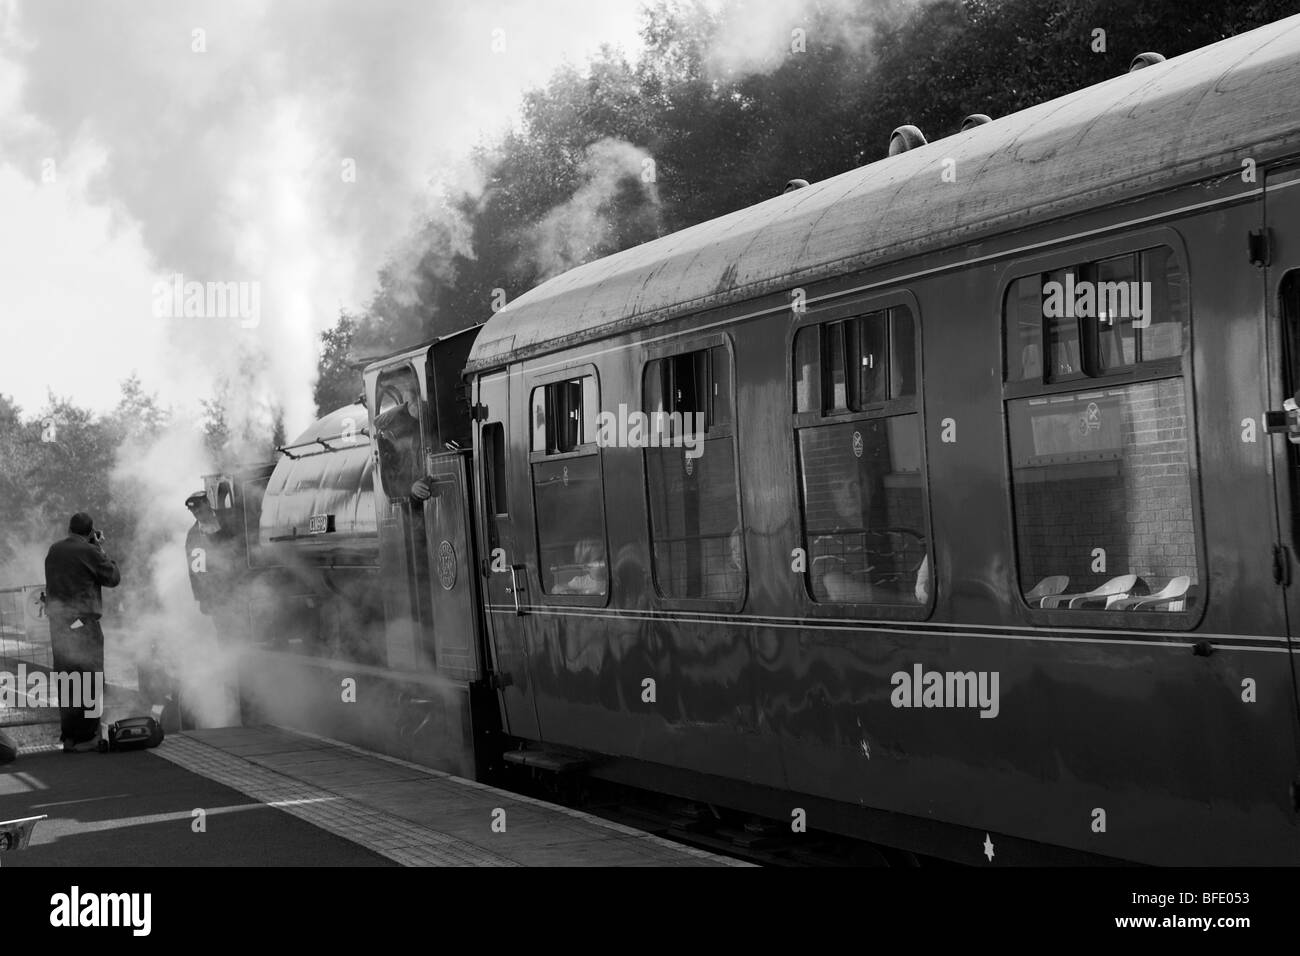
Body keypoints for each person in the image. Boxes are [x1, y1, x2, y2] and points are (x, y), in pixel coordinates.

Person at [44, 512, 120, 752]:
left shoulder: (54, 550)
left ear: (69, 529)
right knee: (90, 678)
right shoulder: (90, 552)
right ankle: (87, 737)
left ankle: (69, 736)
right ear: (90, 532)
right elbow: (113, 578)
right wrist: (99, 549)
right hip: (83, 624)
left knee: (67, 680)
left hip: (59, 625)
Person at [185, 492, 246, 643]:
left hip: (239, 584)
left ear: (207, 503)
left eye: (199, 509)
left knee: (243, 628)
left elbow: (243, 545)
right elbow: (194, 571)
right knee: (224, 631)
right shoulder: (193, 535)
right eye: (194, 512)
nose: (197, 514)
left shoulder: (229, 519)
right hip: (215, 593)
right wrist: (201, 598)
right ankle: (230, 662)